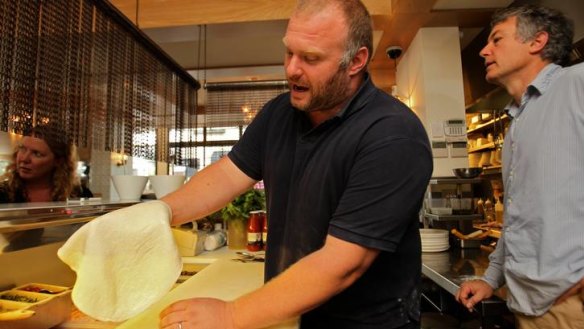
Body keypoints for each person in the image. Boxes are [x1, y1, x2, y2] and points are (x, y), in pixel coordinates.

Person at [159, 1, 432, 328]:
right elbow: (226, 176)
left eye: (311, 58)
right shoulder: (278, 114)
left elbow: (342, 264)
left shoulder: (393, 135)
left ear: (356, 61)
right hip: (291, 315)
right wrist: (158, 214)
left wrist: (230, 315)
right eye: (289, 52)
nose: (291, 69)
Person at [456, 5, 584, 329]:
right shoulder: (517, 125)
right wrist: (490, 278)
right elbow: (515, 221)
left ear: (537, 41)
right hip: (526, 304)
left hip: (570, 304)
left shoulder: (576, 84)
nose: (484, 50)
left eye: (496, 39)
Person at [0, 124, 92, 203]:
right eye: (22, 149)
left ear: (58, 161)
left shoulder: (80, 195)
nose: (24, 159)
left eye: (37, 154)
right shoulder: (3, 193)